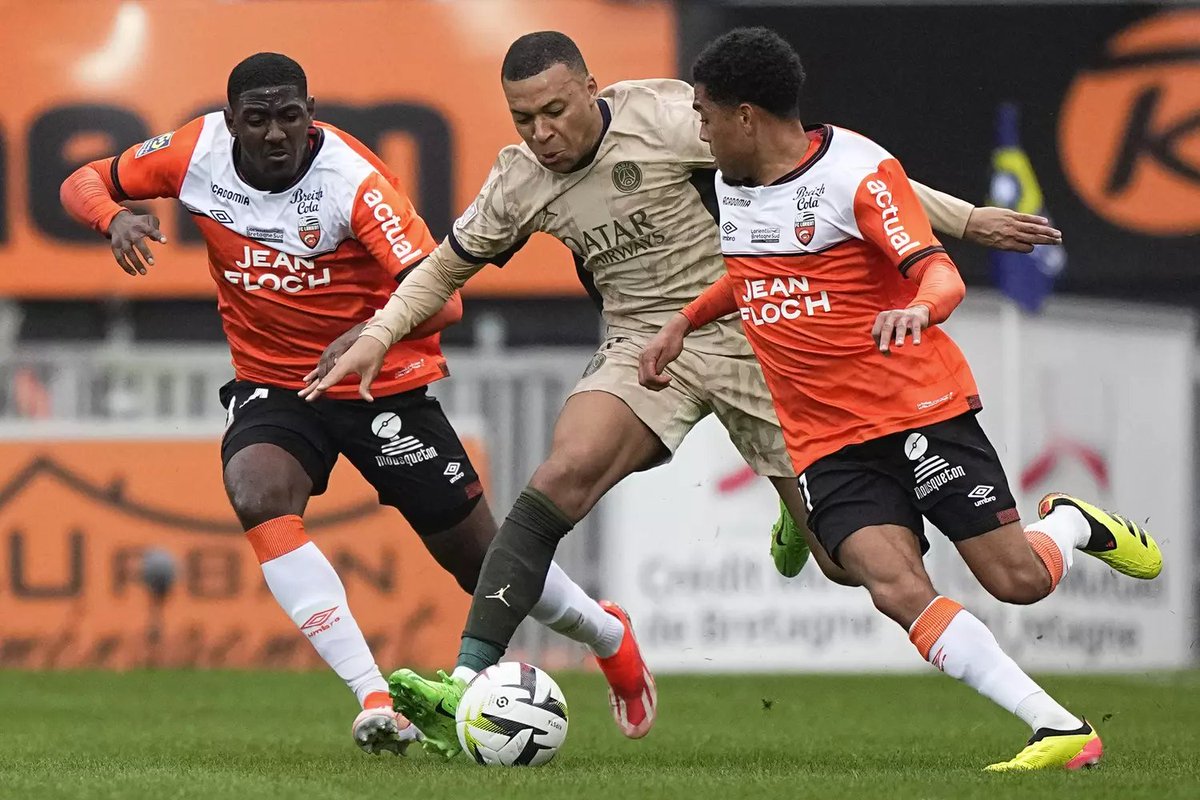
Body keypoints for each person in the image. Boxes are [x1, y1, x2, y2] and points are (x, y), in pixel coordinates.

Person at [304, 32, 1064, 759]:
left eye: (554, 111)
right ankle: (468, 682)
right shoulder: (518, 181)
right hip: (645, 343)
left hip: (761, 336)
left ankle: (797, 512)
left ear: (590, 91)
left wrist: (964, 219)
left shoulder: (670, 117)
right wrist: (379, 333)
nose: (541, 132)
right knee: (561, 474)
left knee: (849, 566)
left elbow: (833, 176)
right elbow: (441, 269)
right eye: (523, 119)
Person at [59, 52, 651, 755]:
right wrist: (113, 219)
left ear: (311, 117)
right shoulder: (194, 152)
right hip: (276, 382)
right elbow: (83, 179)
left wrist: (368, 333)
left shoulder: (354, 182)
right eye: (257, 120)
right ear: (231, 122)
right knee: (255, 491)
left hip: (380, 383)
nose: (275, 134)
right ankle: (375, 698)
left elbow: (446, 298)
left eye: (290, 117)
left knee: (480, 561)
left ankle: (607, 634)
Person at [638, 27, 1163, 771]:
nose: (699, 128)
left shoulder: (860, 172)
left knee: (1016, 581)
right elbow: (754, 275)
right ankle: (1059, 728)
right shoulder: (731, 185)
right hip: (824, 436)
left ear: (746, 116)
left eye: (704, 114)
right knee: (889, 584)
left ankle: (1072, 524)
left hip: (917, 409)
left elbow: (938, 272)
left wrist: (923, 307)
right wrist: (682, 324)